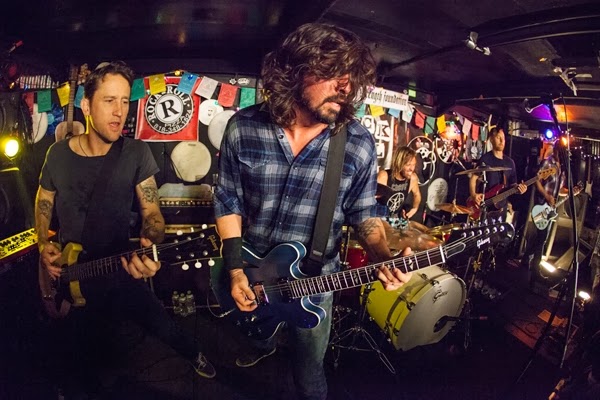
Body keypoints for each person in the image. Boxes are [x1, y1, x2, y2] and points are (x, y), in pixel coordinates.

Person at [213, 23, 412, 400]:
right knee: (255, 335)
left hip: (315, 285)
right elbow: (228, 200)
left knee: (309, 374)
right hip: (251, 273)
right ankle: (263, 344)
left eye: (351, 78)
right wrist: (236, 270)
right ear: (294, 70)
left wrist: (382, 256)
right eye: (334, 73)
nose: (346, 88)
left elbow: (364, 213)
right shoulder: (244, 127)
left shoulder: (357, 144)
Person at [35, 61, 215, 396]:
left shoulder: (135, 152)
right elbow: (43, 200)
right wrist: (41, 247)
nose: (120, 111)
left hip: (119, 267)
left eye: (124, 101)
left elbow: (152, 212)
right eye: (109, 101)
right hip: (70, 273)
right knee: (82, 358)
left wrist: (152, 239)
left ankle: (195, 354)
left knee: (162, 324)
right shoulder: (57, 154)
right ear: (86, 105)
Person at [520, 141, 564, 289]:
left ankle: (526, 259)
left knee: (542, 238)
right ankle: (535, 271)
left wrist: (571, 192)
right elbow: (537, 181)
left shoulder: (562, 168)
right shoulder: (548, 163)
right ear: (556, 150)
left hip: (550, 209)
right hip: (541, 205)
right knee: (542, 237)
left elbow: (558, 188)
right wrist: (546, 196)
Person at [469, 127, 527, 218]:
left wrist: (520, 189)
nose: (502, 141)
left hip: (501, 208)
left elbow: (513, 184)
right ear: (491, 140)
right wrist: (473, 195)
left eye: (503, 138)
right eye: (498, 137)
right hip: (486, 206)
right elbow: (473, 179)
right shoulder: (485, 159)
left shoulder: (510, 162)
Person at [376, 146, 421, 221]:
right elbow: (371, 201)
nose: (412, 169)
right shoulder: (384, 176)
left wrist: (414, 208)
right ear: (399, 163)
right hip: (378, 219)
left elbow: (417, 194)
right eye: (408, 165)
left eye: (413, 165)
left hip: (395, 220)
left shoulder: (412, 178)